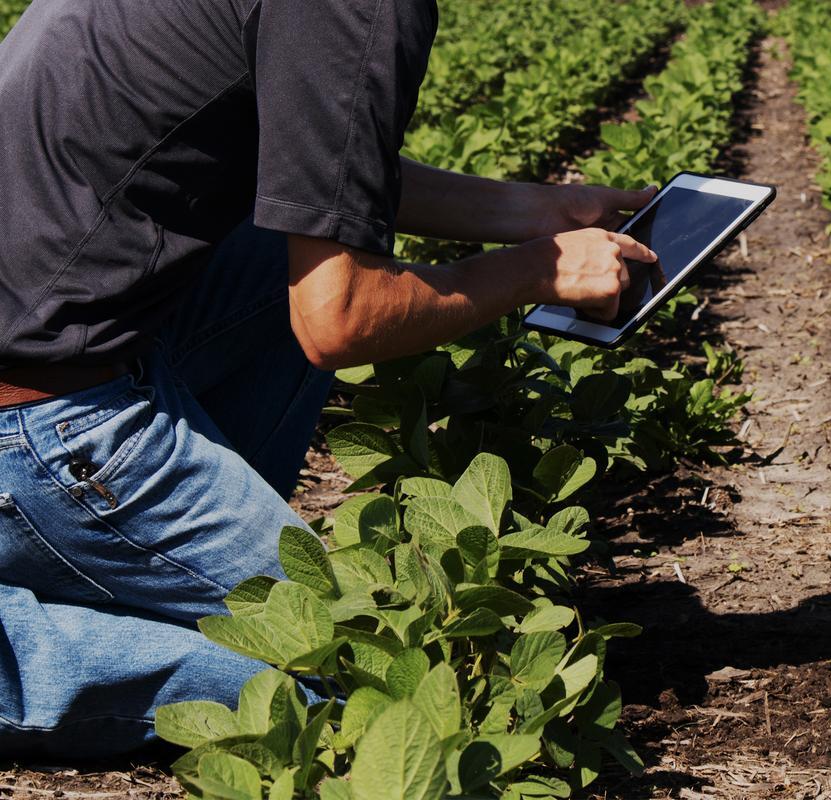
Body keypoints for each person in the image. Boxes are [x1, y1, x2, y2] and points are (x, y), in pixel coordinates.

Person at [0, 0, 658, 757]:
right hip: (45, 420)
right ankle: (31, 648)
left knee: (265, 252)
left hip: (52, 347)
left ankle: (114, 565)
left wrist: (548, 211)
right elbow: (338, 318)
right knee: (387, 678)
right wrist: (537, 270)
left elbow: (322, 175)